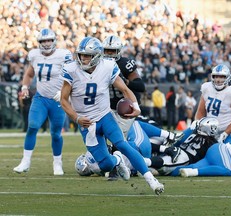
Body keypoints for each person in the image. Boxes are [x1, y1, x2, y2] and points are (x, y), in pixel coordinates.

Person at [60, 36, 164, 195]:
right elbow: (63, 100)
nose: (83, 58)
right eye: (81, 55)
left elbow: (125, 90)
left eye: (87, 55)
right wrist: (77, 118)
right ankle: (117, 160)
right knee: (106, 165)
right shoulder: (71, 69)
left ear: (96, 55)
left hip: (104, 116)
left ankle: (151, 180)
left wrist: (136, 106)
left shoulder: (108, 66)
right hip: (87, 123)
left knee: (122, 144)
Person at [13, 28, 73, 175]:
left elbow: (73, 75)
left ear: (54, 41)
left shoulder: (63, 55)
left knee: (56, 133)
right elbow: (29, 73)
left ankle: (57, 163)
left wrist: (64, 92)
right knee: (32, 126)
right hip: (40, 98)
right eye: (43, 41)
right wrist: (25, 86)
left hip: (57, 99)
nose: (46, 43)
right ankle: (25, 162)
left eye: (49, 40)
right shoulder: (34, 55)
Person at [145, 117, 219, 176]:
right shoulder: (212, 143)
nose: (199, 127)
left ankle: (144, 165)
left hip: (178, 150)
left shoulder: (195, 134)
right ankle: (143, 166)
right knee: (163, 163)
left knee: (161, 162)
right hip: (185, 157)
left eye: (202, 126)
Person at [193, 64, 231, 145]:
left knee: (227, 156)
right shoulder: (207, 88)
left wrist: (225, 134)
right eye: (216, 76)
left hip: (227, 132)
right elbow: (200, 112)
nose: (218, 80)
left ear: (227, 77)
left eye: (222, 77)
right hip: (208, 131)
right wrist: (198, 126)